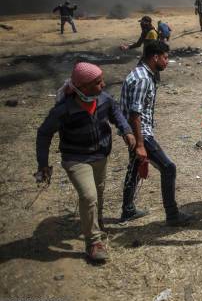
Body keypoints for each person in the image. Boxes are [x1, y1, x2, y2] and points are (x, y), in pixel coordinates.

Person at [36, 63, 135, 262]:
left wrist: (127, 131)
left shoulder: (103, 99)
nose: (103, 84)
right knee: (89, 196)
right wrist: (43, 164)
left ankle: (97, 223)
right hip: (76, 159)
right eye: (98, 82)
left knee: (98, 193)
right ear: (82, 87)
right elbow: (44, 133)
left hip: (100, 155)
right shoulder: (64, 109)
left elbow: (116, 114)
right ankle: (93, 243)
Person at [120, 41, 193, 226]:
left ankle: (128, 209)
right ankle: (172, 214)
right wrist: (140, 144)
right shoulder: (143, 78)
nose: (167, 61)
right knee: (168, 168)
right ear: (155, 57)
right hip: (141, 134)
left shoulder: (143, 73)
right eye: (165, 57)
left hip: (136, 132)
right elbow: (134, 113)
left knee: (135, 168)